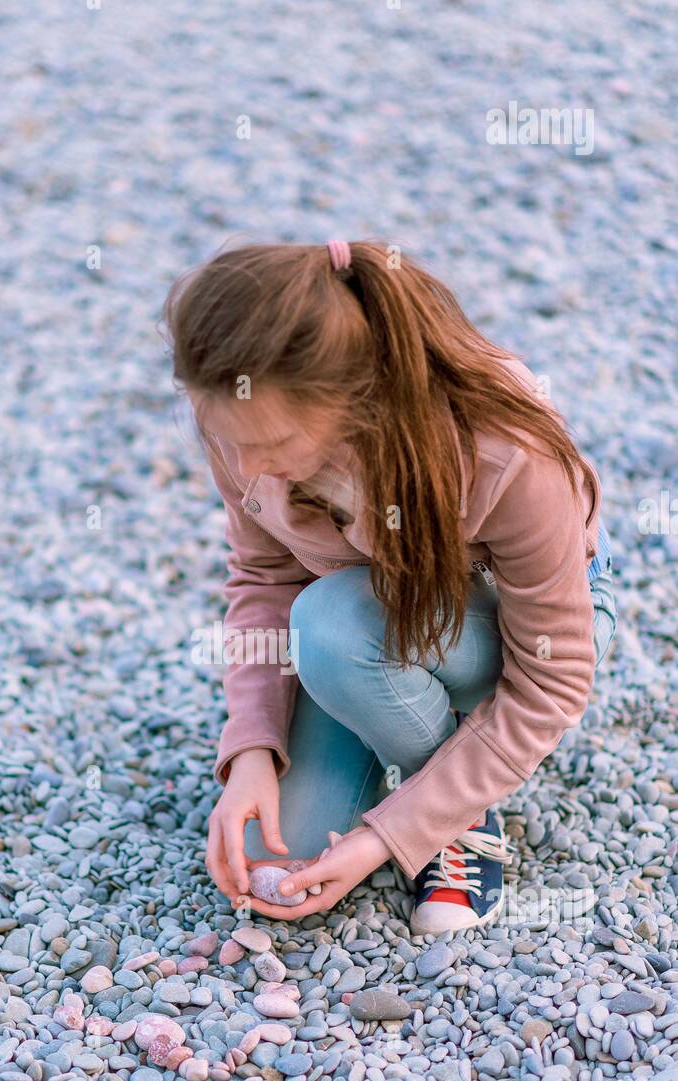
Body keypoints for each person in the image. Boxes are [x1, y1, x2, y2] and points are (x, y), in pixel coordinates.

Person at [163, 240, 617, 935]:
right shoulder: (243, 419)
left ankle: (459, 814)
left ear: (353, 403)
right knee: (271, 865)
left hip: (506, 625)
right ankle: (411, 734)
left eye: (272, 444)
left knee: (335, 626)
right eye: (229, 439)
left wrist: (390, 835)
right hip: (365, 615)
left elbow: (550, 681)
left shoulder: (503, 454)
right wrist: (250, 748)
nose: (246, 465)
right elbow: (262, 577)